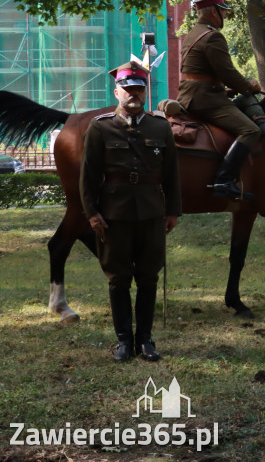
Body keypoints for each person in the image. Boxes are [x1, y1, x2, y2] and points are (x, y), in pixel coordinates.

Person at [80, 62, 181, 362]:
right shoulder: (100, 127)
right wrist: (91, 213)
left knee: (148, 277)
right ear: (117, 92)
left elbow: (172, 174)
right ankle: (124, 341)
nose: (133, 94)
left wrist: (173, 210)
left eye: (138, 89)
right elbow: (87, 175)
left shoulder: (160, 126)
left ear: (145, 92)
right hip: (114, 214)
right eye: (128, 89)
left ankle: (146, 340)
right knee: (118, 278)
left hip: (151, 213)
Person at [177, 0, 265, 200]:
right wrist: (249, 86)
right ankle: (223, 181)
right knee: (251, 130)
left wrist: (221, 88)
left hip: (193, 94)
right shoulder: (213, 36)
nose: (225, 15)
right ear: (213, 12)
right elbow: (227, 72)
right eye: (223, 11)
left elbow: (201, 73)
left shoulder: (192, 34)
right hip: (205, 100)